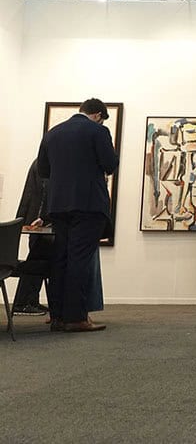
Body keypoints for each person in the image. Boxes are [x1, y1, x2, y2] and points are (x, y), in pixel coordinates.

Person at [37, 98, 118, 333]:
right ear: (98, 115)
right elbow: (110, 164)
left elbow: (43, 170)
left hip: (59, 206)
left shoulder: (53, 133)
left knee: (60, 259)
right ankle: (76, 317)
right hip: (89, 205)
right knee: (79, 260)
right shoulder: (98, 131)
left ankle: (58, 317)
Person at [11, 160, 51, 316]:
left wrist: (21, 218)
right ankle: (25, 301)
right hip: (39, 223)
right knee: (37, 259)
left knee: (38, 257)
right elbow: (43, 193)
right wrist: (42, 217)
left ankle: (29, 300)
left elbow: (29, 194)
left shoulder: (39, 162)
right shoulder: (45, 164)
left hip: (34, 219)